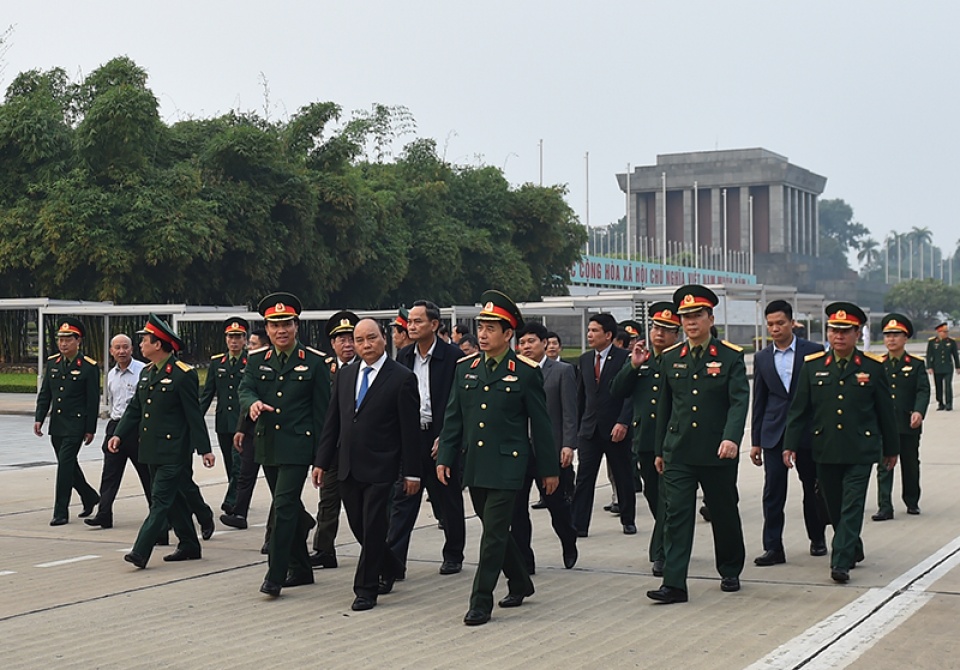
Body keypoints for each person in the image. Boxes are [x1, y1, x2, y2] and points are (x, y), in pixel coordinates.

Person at [436, 290, 558, 626]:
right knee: (496, 531)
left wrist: (549, 469)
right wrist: (445, 456)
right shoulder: (466, 369)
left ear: (509, 334)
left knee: (492, 535)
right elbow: (454, 418)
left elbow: (542, 425)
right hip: (474, 464)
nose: (484, 334)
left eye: (492, 328)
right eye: (481, 327)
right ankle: (520, 581)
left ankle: (480, 601)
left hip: (508, 464)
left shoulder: (525, 371)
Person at [646, 285, 749, 604]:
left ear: (710, 318)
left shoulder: (730, 357)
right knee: (676, 515)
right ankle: (674, 583)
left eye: (696, 316)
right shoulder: (670, 358)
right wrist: (660, 449)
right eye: (685, 317)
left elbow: (738, 401)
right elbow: (663, 406)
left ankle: (730, 568)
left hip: (717, 450)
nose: (691, 322)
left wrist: (732, 437)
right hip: (679, 450)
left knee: (723, 511)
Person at [784, 302, 899, 584]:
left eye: (845, 331)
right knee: (834, 507)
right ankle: (853, 546)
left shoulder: (872, 367)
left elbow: (886, 411)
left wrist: (892, 449)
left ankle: (840, 561)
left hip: (860, 450)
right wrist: (790, 444)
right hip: (825, 449)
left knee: (852, 505)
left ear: (857, 333)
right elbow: (799, 411)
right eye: (834, 330)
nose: (839, 336)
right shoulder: (813, 367)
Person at [313, 319, 421, 611]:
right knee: (359, 526)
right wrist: (321, 461)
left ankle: (366, 589)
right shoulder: (346, 375)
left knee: (373, 526)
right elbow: (332, 422)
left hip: (382, 467)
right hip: (348, 465)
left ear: (383, 339)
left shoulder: (401, 378)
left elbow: (409, 432)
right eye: (359, 340)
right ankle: (392, 564)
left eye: (370, 338)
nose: (365, 345)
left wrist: (412, 472)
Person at [239, 292, 331, 596]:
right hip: (268, 445)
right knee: (289, 506)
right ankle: (303, 567)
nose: (281, 330)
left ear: (296, 326)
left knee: (281, 507)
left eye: (286, 324)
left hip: (297, 446)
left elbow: (323, 415)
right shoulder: (255, 361)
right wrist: (252, 404)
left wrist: (322, 458)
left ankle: (275, 575)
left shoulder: (315, 363)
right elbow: (246, 388)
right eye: (274, 325)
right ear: (266, 329)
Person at [111, 314, 216, 568]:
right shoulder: (147, 373)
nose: (142, 345)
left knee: (160, 501)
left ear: (158, 344)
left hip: (173, 450)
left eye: (145, 340)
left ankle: (140, 551)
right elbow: (135, 409)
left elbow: (194, 415)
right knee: (176, 499)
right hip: (151, 448)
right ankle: (189, 544)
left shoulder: (183, 374)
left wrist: (205, 449)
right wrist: (118, 434)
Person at [385, 300, 466, 579]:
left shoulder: (454, 357)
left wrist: (447, 437)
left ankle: (454, 553)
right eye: (410, 321)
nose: (412, 325)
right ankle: (394, 562)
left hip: (442, 435)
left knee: (447, 497)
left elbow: (461, 403)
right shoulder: (404, 356)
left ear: (434, 324)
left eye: (418, 321)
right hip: (411, 436)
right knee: (403, 498)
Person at [749, 300, 827, 566]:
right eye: (770, 324)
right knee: (773, 491)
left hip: (807, 432)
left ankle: (817, 538)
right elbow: (758, 401)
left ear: (792, 323)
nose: (775, 329)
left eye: (780, 323)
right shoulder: (761, 357)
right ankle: (773, 547)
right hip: (774, 433)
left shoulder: (813, 351)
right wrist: (756, 442)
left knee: (812, 488)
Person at [611, 302, 681, 576]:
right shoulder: (642, 360)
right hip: (646, 441)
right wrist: (632, 365)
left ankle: (662, 553)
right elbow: (616, 390)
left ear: (677, 334)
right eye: (656, 328)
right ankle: (665, 540)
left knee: (668, 499)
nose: (659, 334)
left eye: (666, 329)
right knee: (653, 496)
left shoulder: (680, 361)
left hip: (673, 443)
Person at [511, 322, 579, 572]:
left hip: (549, 450)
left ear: (544, 343)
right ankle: (525, 561)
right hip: (519, 451)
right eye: (522, 343)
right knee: (516, 510)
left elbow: (569, 412)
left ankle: (568, 540)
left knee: (557, 506)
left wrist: (568, 445)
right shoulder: (513, 371)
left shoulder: (561, 371)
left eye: (531, 342)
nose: (526, 347)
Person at [571, 312, 635, 536]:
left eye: (595, 330)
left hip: (615, 428)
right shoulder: (585, 359)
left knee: (622, 474)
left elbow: (630, 395)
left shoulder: (624, 358)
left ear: (608, 335)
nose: (590, 334)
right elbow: (581, 396)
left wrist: (623, 423)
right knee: (584, 478)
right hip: (589, 429)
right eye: (589, 330)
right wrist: (577, 429)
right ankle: (579, 524)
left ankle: (628, 518)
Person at [33, 318, 100, 526]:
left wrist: (90, 429)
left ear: (78, 341)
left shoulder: (89, 367)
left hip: (76, 425)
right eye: (60, 339)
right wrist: (39, 418)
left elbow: (92, 401)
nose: (63, 344)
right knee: (68, 465)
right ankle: (89, 496)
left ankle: (61, 511)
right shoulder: (53, 362)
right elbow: (46, 394)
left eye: (68, 339)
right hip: (58, 424)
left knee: (64, 467)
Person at [308, 310, 359, 569]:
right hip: (332, 449)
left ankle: (378, 551)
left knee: (363, 505)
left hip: (362, 450)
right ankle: (324, 550)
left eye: (352, 338)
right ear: (333, 343)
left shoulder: (368, 369)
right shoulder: (323, 370)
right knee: (328, 502)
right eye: (342, 339)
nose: (347, 344)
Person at [85, 334, 150, 530]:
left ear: (132, 349)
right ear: (111, 351)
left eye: (125, 347)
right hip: (115, 427)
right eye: (117, 348)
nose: (121, 351)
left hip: (137, 428)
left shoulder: (144, 371)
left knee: (147, 475)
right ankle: (104, 514)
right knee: (110, 473)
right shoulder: (110, 374)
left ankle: (161, 516)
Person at [872, 313, 929, 520]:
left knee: (910, 464)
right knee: (884, 465)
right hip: (884, 425)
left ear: (905, 338)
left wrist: (919, 411)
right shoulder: (877, 363)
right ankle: (885, 506)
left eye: (896, 335)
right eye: (887, 335)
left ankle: (912, 500)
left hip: (907, 424)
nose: (891, 339)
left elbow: (923, 390)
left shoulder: (915, 364)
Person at [200, 317, 249, 515]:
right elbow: (207, 394)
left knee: (239, 463)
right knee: (230, 463)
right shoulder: (216, 362)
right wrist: (194, 417)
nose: (234, 341)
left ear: (245, 339)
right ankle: (238, 496)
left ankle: (232, 501)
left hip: (242, 421)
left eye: (238, 337)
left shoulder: (252, 361)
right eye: (231, 337)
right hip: (223, 421)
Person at [222, 328, 268, 533]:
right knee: (245, 474)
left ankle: (301, 518)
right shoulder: (252, 367)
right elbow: (245, 400)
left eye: (253, 344)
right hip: (251, 432)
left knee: (278, 484)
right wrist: (241, 430)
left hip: (271, 433)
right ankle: (239, 513)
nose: (249, 348)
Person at [926, 322, 959, 411]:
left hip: (948, 367)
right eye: (944, 332)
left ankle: (949, 404)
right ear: (939, 332)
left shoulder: (951, 342)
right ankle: (940, 403)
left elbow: (955, 355)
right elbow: (929, 355)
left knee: (948, 386)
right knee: (938, 386)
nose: (946, 333)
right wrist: (929, 367)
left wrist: (958, 367)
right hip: (937, 367)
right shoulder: (932, 342)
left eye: (947, 332)